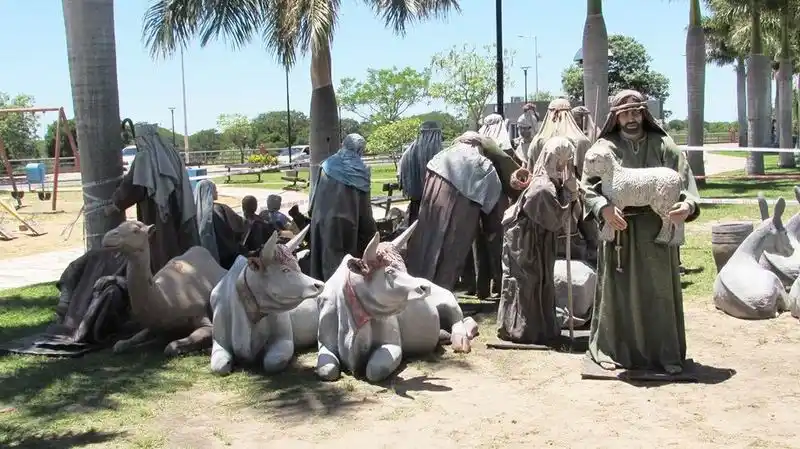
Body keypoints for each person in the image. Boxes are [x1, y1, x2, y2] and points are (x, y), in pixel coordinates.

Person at [582, 89, 701, 374]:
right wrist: (603, 207)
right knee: (617, 295)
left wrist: (687, 206)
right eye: (625, 113)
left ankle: (665, 355)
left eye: (636, 111)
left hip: (655, 232)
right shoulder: (604, 147)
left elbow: (685, 182)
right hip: (618, 232)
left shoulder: (664, 145)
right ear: (616, 117)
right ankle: (612, 350)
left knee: (659, 293)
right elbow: (586, 187)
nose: (631, 118)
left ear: (644, 113)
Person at [497, 136, 582, 345]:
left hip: (539, 237)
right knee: (527, 281)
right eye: (560, 161)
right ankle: (523, 329)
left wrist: (569, 191)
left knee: (540, 280)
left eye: (567, 162)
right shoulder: (543, 186)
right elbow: (554, 219)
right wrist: (569, 195)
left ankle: (541, 327)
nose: (563, 167)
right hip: (526, 239)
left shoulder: (551, 182)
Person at [405, 132, 503, 292]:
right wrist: (491, 228)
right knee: (451, 255)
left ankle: (416, 292)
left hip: (431, 214)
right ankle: (440, 295)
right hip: (462, 216)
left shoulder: (440, 157)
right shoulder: (483, 164)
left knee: (425, 249)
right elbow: (491, 201)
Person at [106, 123, 198, 273]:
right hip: (177, 205)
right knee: (178, 245)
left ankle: (163, 280)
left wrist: (115, 203)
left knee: (160, 249)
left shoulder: (144, 156)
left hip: (156, 211)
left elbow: (134, 187)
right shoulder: (169, 152)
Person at [309, 133, 377, 281]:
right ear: (359, 150)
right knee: (345, 266)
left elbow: (313, 197)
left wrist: (312, 217)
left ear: (343, 145)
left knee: (324, 260)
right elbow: (365, 211)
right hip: (348, 226)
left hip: (322, 222)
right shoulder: (362, 171)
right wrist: (371, 233)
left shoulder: (326, 165)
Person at [193, 179, 246, 270]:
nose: (217, 192)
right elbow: (238, 226)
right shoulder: (219, 209)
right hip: (224, 257)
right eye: (214, 189)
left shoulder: (192, 212)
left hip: (199, 257)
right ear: (209, 191)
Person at [398, 121, 444, 223]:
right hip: (436, 204)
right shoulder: (439, 154)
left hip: (415, 202)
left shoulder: (408, 153)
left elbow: (400, 177)